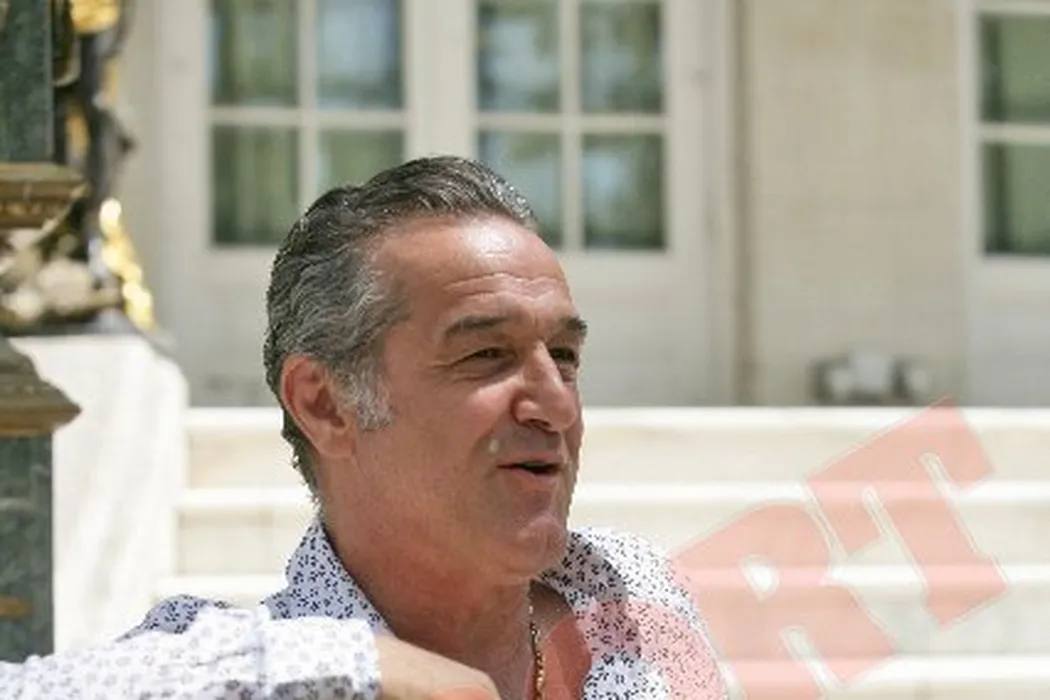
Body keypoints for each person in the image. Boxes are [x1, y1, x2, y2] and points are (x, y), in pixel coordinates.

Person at [0, 156, 726, 699]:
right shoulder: (243, 673)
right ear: (324, 404)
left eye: (563, 356)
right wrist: (351, 664)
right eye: (486, 355)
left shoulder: (630, 591)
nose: (557, 405)